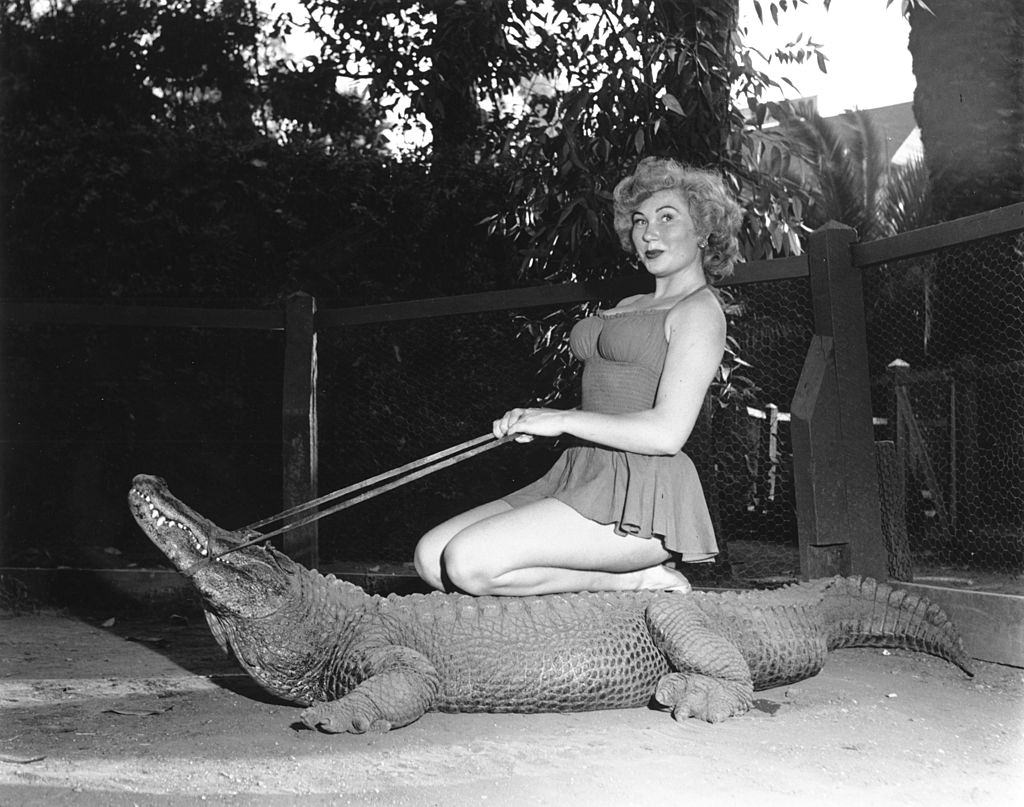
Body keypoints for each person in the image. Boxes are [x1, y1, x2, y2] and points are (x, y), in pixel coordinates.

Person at [414, 156, 743, 597]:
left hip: (641, 497)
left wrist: (562, 419)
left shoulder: (700, 311)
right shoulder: (628, 303)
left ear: (703, 231)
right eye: (641, 221)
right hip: (581, 472)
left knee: (468, 563)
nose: (649, 233)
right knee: (431, 558)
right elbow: (611, 397)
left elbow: (667, 433)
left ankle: (637, 578)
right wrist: (534, 419)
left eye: (668, 218)